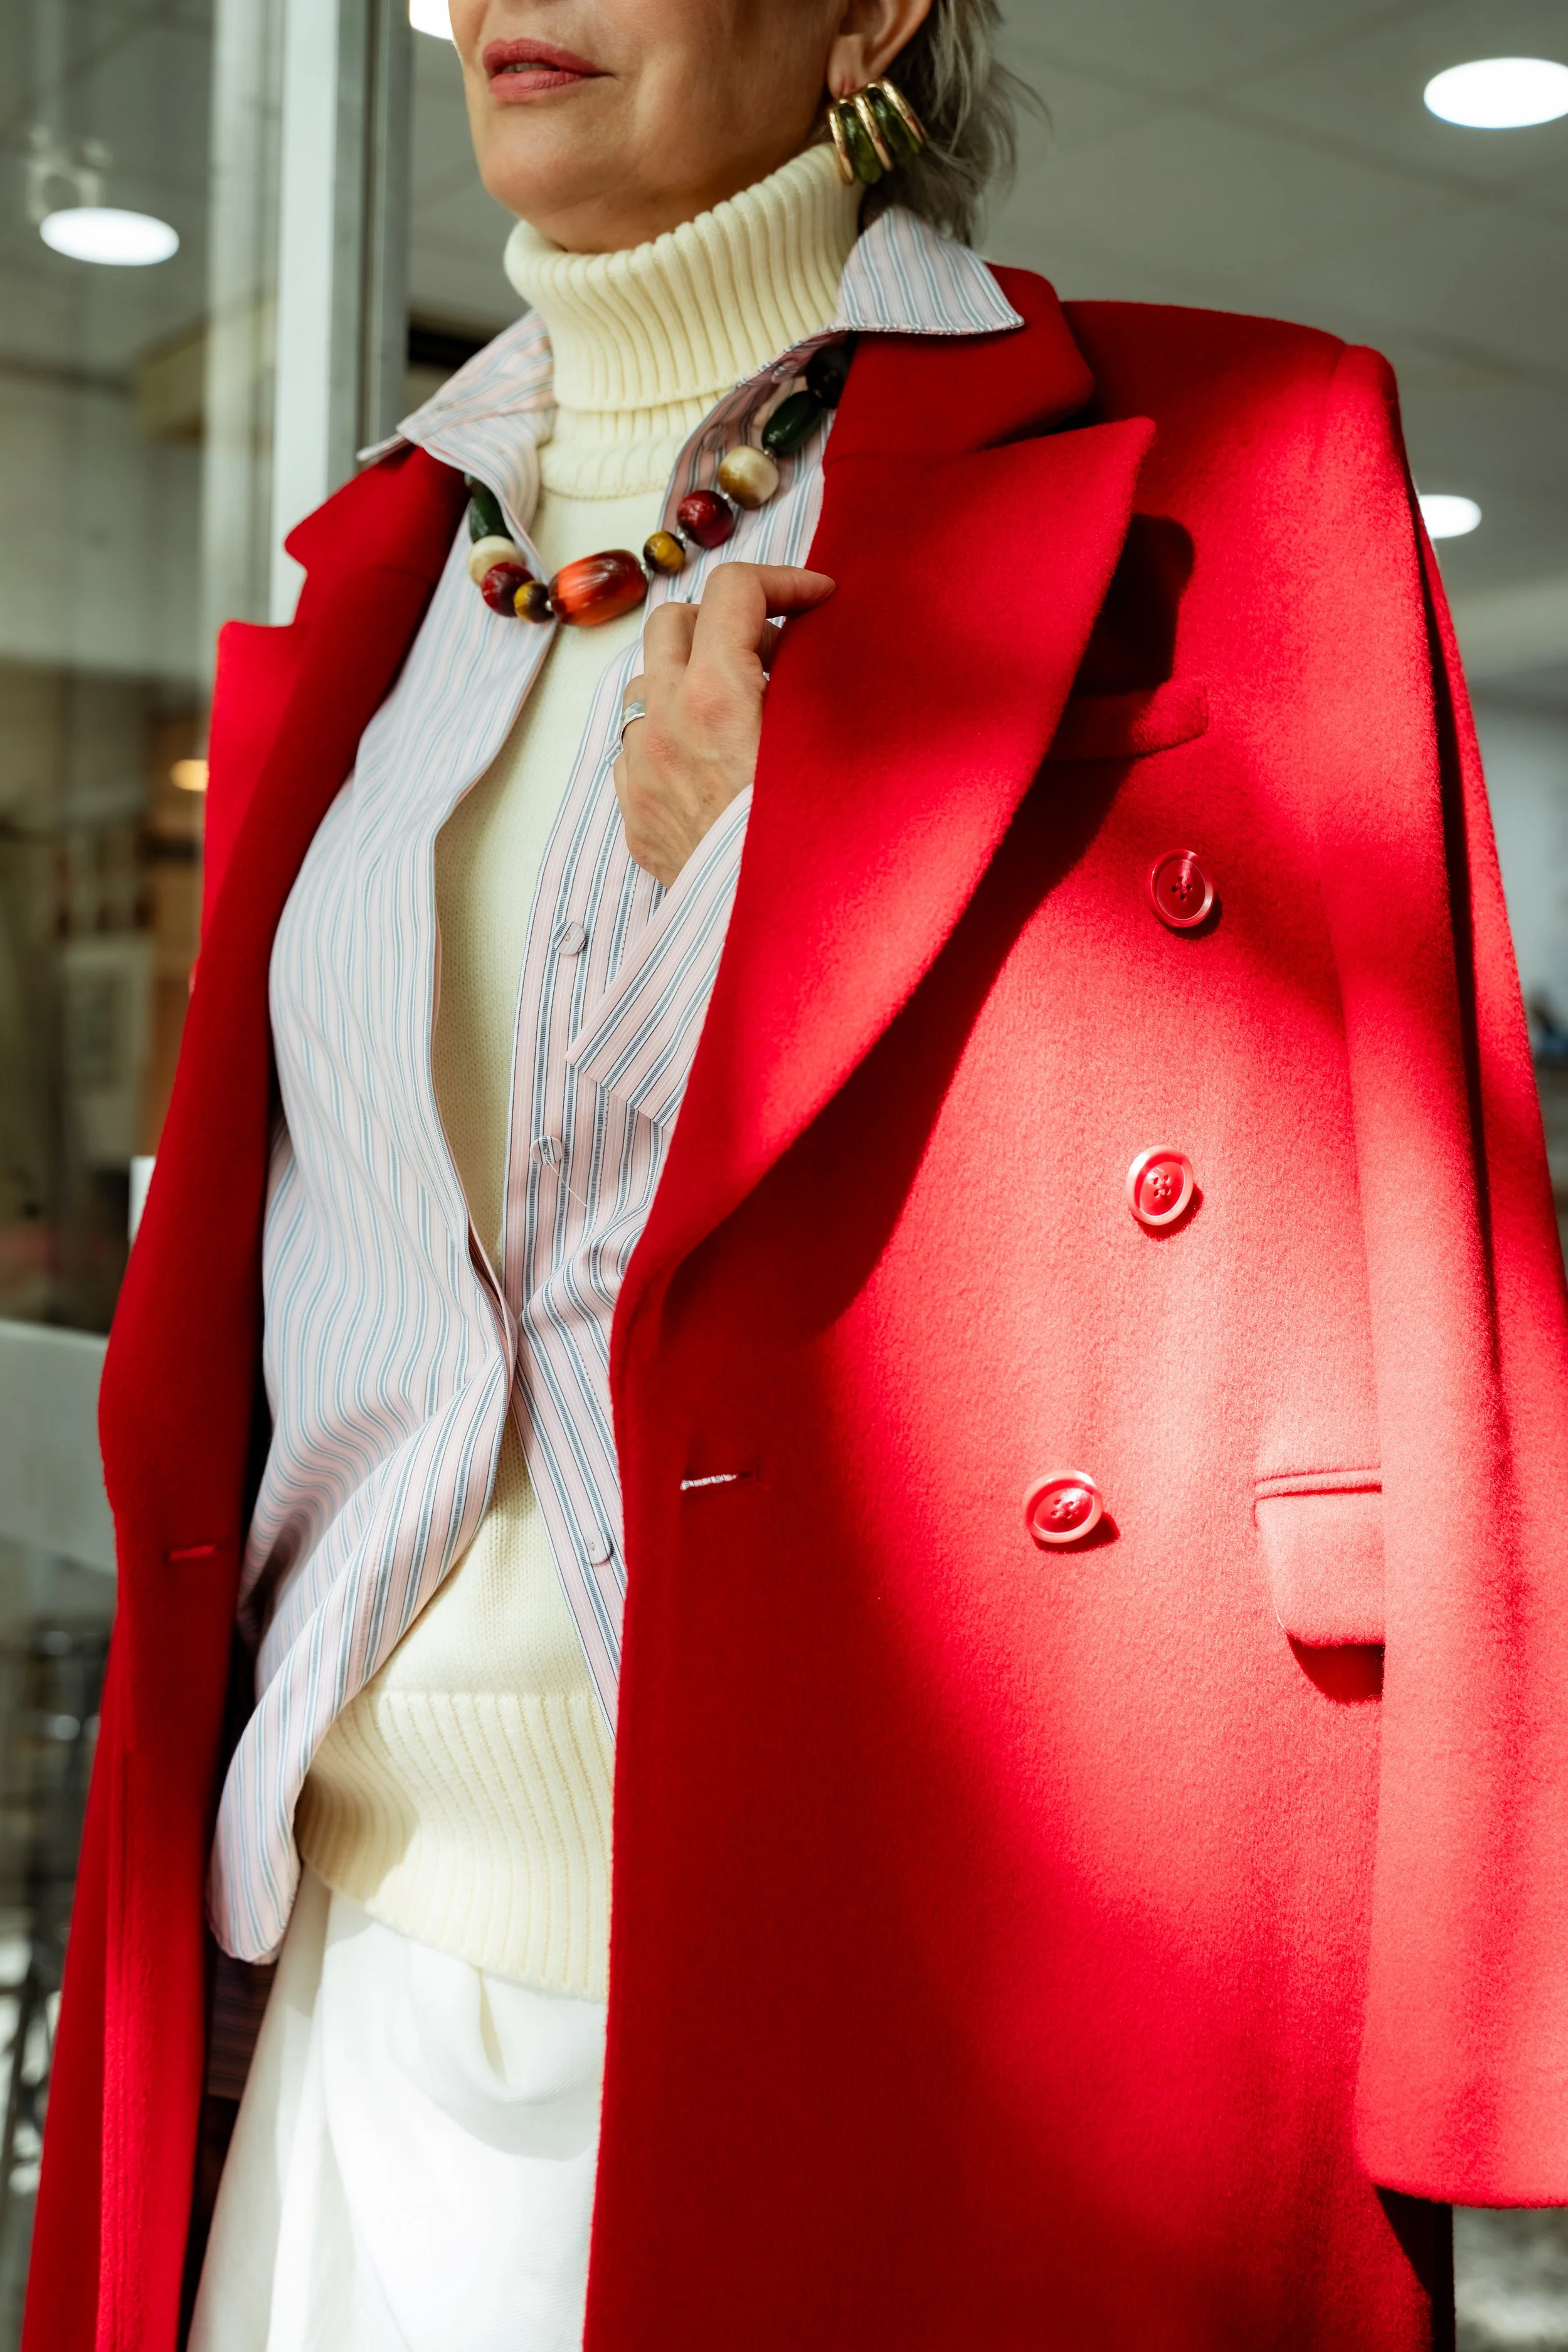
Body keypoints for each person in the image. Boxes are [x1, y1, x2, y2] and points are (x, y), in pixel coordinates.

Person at [24, 0, 1568, 2346]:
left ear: (870, 11)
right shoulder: (397, 560)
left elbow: (1412, 1247)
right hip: (350, 1948)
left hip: (936, 1964)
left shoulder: (1230, 459)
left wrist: (805, 828)